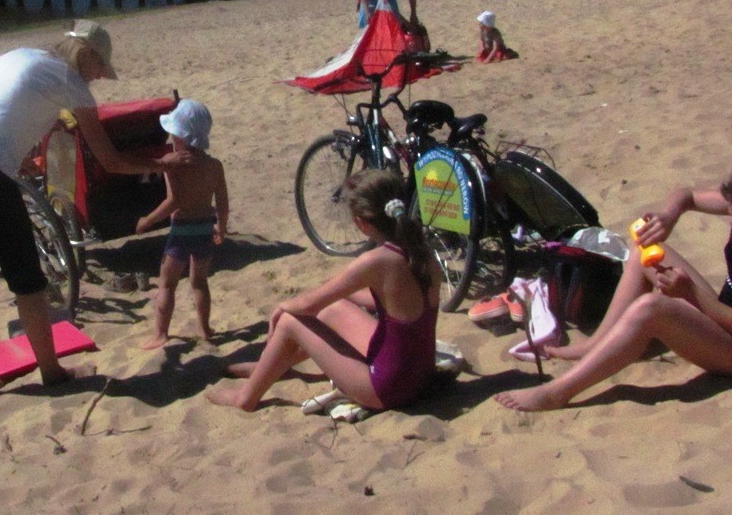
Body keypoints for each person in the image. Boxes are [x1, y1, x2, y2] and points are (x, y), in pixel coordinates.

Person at [0, 20, 187, 400]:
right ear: (89, 56)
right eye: (101, 68)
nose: (99, 77)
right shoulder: (73, 84)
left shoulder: (15, 56)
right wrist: (163, 165)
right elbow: (110, 161)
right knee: (27, 276)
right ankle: (52, 372)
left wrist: (15, 158)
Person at [206, 170, 441, 412]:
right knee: (332, 309)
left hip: (387, 389)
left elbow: (307, 305)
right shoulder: (420, 252)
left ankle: (246, 397)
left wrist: (280, 308)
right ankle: (272, 366)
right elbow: (385, 301)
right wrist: (340, 293)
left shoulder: (375, 261)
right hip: (421, 375)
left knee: (289, 320)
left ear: (362, 223)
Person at [496, 172, 732, 412]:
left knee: (650, 308)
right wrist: (668, 216)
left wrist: (691, 293)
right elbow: (687, 195)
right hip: (722, 315)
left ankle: (556, 393)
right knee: (643, 250)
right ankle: (595, 345)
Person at [136, 99, 229, 350]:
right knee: (199, 281)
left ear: (181, 137)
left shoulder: (172, 163)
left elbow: (173, 201)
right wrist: (222, 226)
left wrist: (148, 220)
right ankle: (205, 327)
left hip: (181, 231)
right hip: (204, 228)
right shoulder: (214, 166)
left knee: (167, 283)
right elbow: (222, 202)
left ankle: (160, 333)